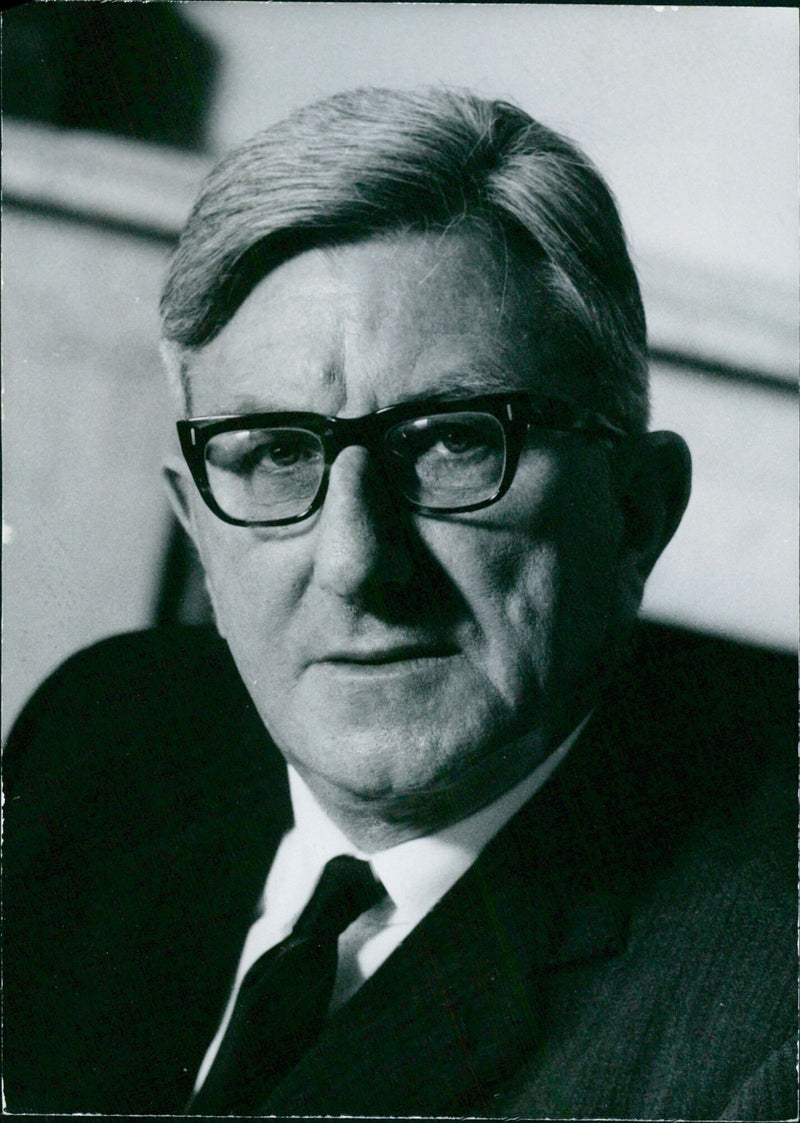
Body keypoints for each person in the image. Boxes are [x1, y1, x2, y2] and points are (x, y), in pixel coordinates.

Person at [3, 87, 795, 1119]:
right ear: (197, 527)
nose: (355, 562)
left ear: (634, 512)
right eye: (278, 455)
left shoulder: (763, 1028)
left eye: (453, 441)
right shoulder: (105, 732)